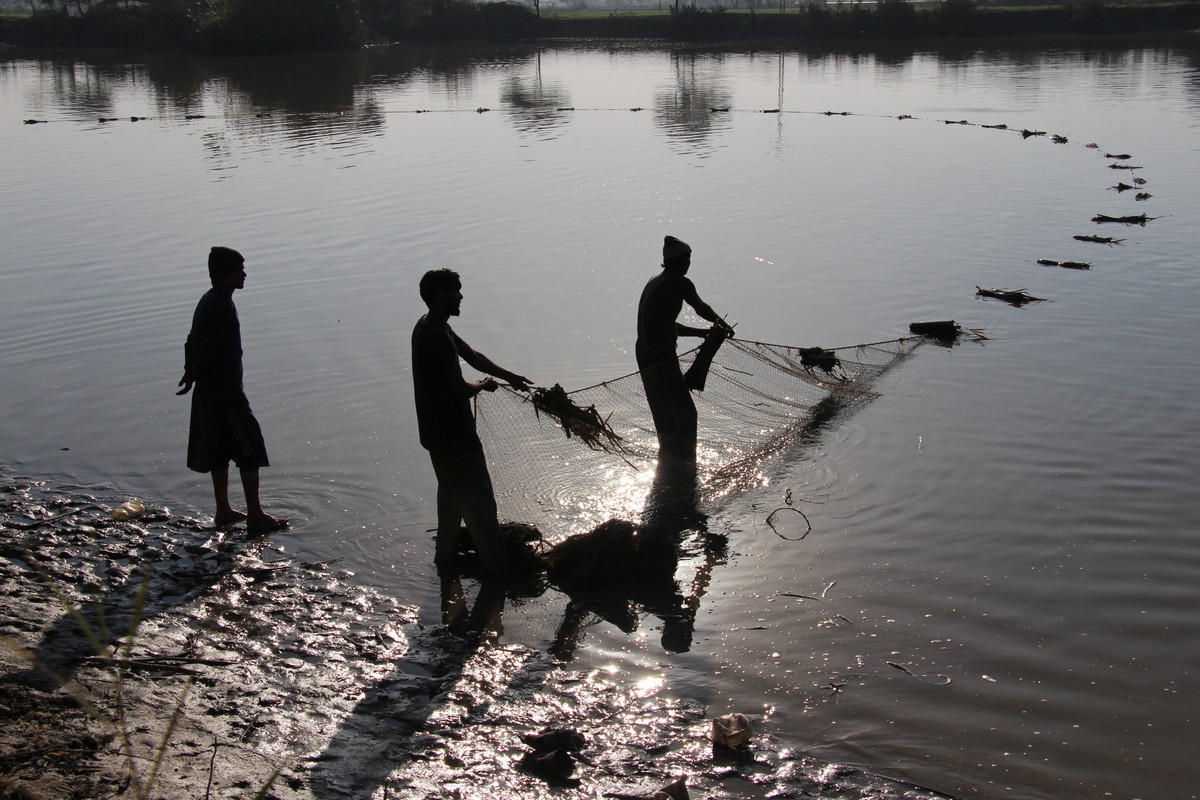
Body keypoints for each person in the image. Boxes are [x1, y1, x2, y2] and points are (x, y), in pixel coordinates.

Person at [412, 268, 532, 574]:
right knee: (481, 505)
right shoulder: (436, 336)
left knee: (451, 502)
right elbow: (459, 389)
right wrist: (482, 386)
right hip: (456, 437)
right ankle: (499, 569)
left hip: (434, 437)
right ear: (442, 297)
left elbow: (471, 354)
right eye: (457, 291)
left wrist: (510, 377)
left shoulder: (430, 324)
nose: (461, 296)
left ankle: (444, 562)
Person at [177, 246, 287, 533]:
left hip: (211, 392)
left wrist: (190, 374)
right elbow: (207, 348)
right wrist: (199, 377)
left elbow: (192, 341)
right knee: (249, 448)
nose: (244, 274)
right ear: (225, 274)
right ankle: (255, 515)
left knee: (219, 450)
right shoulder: (221, 305)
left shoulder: (211, 300)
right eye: (239, 269)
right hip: (225, 394)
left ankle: (224, 510)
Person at [636, 235, 735, 463]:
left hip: (644, 351)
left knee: (663, 410)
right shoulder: (679, 282)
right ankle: (686, 462)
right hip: (660, 354)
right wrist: (721, 324)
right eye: (688, 258)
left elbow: (667, 326)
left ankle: (669, 458)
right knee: (687, 413)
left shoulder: (655, 280)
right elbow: (700, 308)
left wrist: (701, 333)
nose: (689, 263)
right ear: (680, 261)